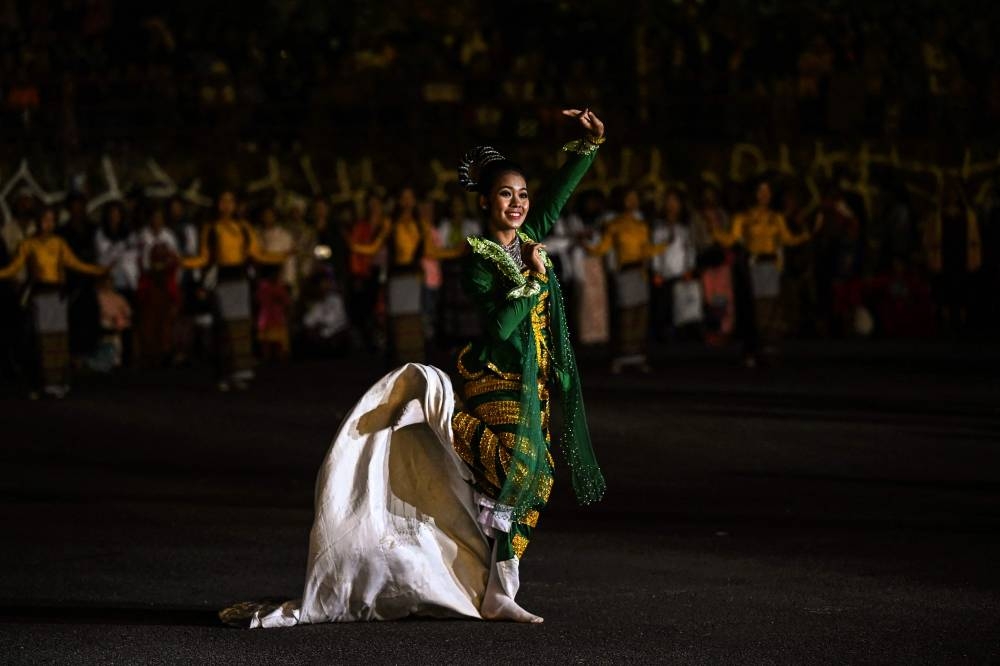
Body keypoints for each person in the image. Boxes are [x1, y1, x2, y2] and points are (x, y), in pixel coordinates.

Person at [226, 108, 606, 629]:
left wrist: (589, 146)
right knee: (519, 470)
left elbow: (558, 195)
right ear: (484, 202)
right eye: (505, 194)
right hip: (493, 376)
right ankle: (441, 416)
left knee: (533, 481)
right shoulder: (480, 257)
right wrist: (535, 281)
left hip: (531, 380)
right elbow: (500, 328)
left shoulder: (530, 237)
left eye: (522, 194)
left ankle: (500, 591)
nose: (517, 203)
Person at [181, 190, 286, 391]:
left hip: (240, 279)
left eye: (230, 201)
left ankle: (240, 373)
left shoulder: (243, 227)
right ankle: (224, 373)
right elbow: (204, 258)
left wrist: (282, 256)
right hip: (223, 279)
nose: (226, 205)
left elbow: (257, 254)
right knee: (224, 327)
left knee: (240, 327)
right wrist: (184, 263)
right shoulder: (211, 228)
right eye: (223, 201)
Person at [0, 206, 107, 398]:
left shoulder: (58, 243)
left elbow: (75, 263)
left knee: (58, 340)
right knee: (41, 341)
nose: (48, 224)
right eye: (44, 219)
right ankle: (40, 384)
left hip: (57, 296)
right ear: (38, 221)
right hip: (40, 295)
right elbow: (14, 268)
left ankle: (58, 383)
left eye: (51, 220)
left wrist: (98, 270)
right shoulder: (28, 244)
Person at [348, 187, 463, 364]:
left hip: (414, 276)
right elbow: (375, 247)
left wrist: (455, 252)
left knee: (414, 319)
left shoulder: (421, 224)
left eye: (410, 197)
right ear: (399, 201)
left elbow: (431, 251)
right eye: (404, 197)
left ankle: (415, 362)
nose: (407, 202)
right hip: (397, 277)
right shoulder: (391, 223)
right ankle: (399, 361)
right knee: (398, 320)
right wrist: (355, 247)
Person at [714, 179, 812, 365]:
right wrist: (715, 231)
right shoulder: (744, 217)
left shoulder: (776, 217)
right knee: (757, 305)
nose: (764, 195)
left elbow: (787, 239)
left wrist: (806, 235)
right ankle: (754, 344)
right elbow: (733, 239)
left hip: (772, 264)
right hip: (754, 264)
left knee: (771, 303)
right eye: (760, 190)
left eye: (767, 191)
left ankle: (768, 343)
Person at [587, 186, 666, 373]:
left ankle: (638, 356)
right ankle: (621, 356)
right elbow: (603, 247)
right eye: (628, 198)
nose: (632, 202)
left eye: (634, 198)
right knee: (625, 315)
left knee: (641, 314)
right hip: (624, 273)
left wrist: (663, 247)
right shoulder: (614, 224)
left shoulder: (641, 225)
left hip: (640, 273)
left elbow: (646, 249)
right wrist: (588, 247)